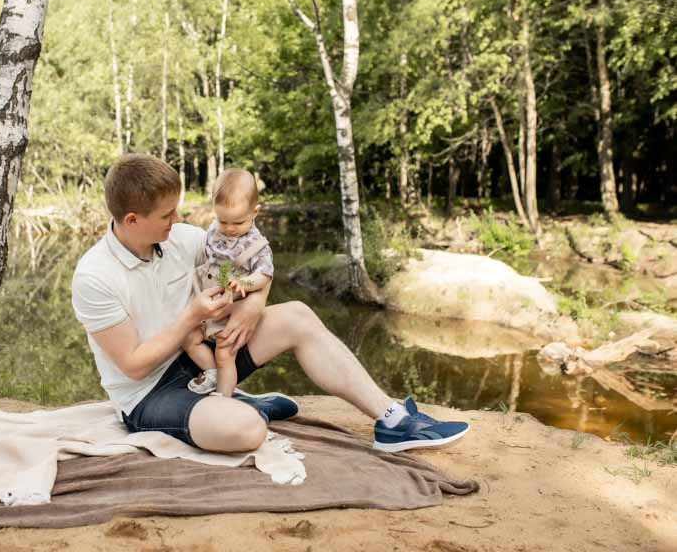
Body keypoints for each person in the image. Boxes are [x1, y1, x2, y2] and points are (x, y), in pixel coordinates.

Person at [71, 154, 469, 454]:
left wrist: (252, 306)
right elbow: (133, 365)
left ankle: (392, 420)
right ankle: (239, 406)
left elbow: (258, 267)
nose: (178, 218)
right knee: (246, 431)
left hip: (203, 358)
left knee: (297, 314)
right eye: (166, 214)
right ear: (132, 219)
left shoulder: (182, 239)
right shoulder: (95, 277)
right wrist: (191, 316)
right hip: (150, 395)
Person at [183, 168, 274, 397]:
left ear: (255, 212)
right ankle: (212, 373)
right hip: (206, 305)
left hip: (232, 310)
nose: (230, 228)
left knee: (225, 353)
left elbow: (265, 274)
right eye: (223, 221)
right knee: (187, 337)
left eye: (238, 222)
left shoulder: (257, 245)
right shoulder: (214, 231)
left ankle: (225, 398)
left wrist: (245, 282)